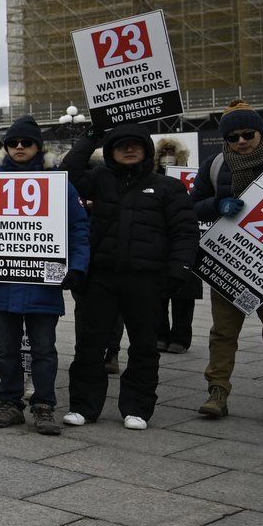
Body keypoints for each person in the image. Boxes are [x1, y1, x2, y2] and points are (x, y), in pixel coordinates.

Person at [60, 124, 197, 430]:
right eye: (121, 145)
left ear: (147, 150)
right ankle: (84, 406)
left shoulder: (168, 187)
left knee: (144, 346)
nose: (129, 149)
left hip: (146, 279)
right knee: (90, 344)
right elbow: (65, 175)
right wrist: (91, 137)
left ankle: (137, 407)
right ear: (110, 152)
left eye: (136, 144)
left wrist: (179, 270)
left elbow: (184, 232)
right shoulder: (98, 179)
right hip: (100, 277)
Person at [0, 118, 90, 435]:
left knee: (44, 349)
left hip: (43, 285)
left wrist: (77, 266)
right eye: (14, 142)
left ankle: (44, 405)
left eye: (27, 142)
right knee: (5, 349)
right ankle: (10, 403)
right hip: (3, 282)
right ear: (6, 147)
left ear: (38, 147)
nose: (20, 147)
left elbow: (79, 229)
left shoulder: (60, 184)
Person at [192, 102, 263, 428]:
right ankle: (217, 394)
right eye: (232, 136)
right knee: (223, 333)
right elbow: (192, 206)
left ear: (261, 132)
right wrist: (216, 205)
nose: (241, 141)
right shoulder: (215, 165)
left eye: (247, 134)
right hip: (231, 262)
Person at [152, 137, 198, 355]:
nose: (166, 158)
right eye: (163, 153)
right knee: (157, 295)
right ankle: (160, 334)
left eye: (171, 153)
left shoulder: (191, 178)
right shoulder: (150, 180)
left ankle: (180, 337)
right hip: (158, 242)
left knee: (184, 295)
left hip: (184, 239)